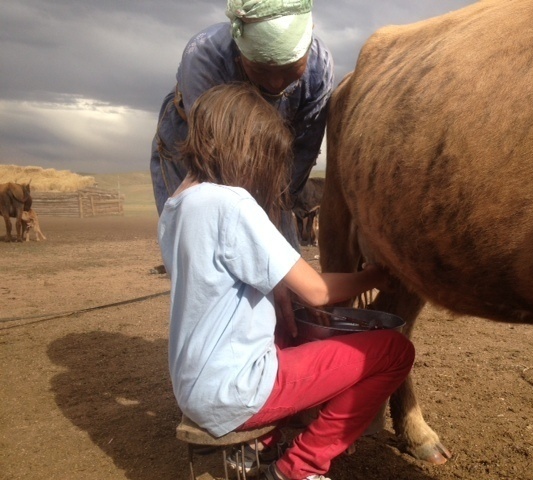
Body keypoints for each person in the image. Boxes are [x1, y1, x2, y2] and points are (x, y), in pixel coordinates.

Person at [158, 83, 415, 480]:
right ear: (247, 149)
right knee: (394, 352)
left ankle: (262, 444)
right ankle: (300, 467)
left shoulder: (175, 208)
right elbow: (316, 289)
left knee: (291, 328)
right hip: (235, 392)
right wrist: (375, 275)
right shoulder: (231, 204)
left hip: (193, 388)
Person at [150, 0, 334, 249]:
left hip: (275, 164)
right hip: (199, 154)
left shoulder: (319, 69)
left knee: (279, 249)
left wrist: (278, 200)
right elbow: (216, 169)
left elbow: (303, 150)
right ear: (239, 52)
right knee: (204, 244)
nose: (276, 82)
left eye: (290, 68)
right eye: (261, 69)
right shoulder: (205, 57)